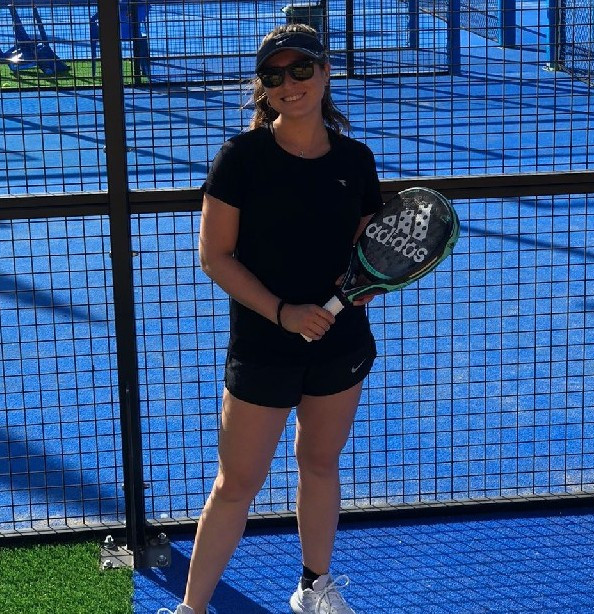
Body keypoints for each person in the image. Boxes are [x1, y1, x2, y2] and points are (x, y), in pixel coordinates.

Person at [159, 22, 383, 614]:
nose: (289, 83)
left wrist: (363, 291)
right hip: (263, 347)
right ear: (262, 87)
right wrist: (284, 314)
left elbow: (368, 257)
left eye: (301, 69)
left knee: (320, 464)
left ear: (325, 73)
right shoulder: (242, 158)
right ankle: (192, 608)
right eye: (274, 75)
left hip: (339, 344)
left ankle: (313, 587)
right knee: (236, 484)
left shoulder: (356, 160)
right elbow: (215, 255)